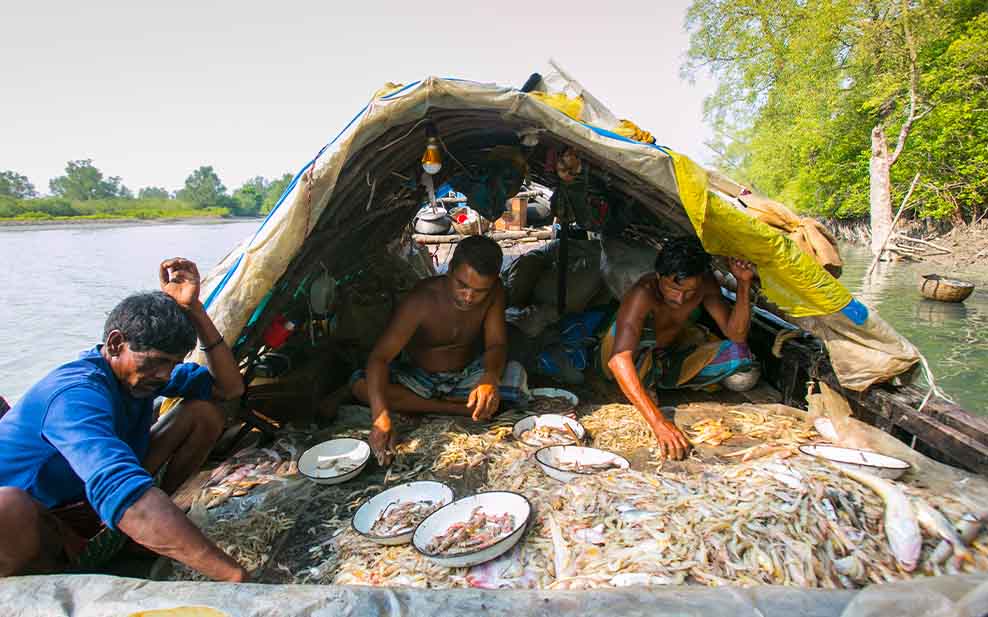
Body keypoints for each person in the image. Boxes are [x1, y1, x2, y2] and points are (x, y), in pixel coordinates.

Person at [0, 258, 248, 582]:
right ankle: (52, 578)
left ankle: (138, 536)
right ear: (116, 344)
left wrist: (196, 311)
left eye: (173, 365)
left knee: (203, 413)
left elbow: (229, 388)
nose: (164, 375)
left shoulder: (142, 374)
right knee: (8, 507)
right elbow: (116, 485)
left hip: (85, 499)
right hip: (41, 516)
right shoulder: (75, 394)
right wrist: (234, 577)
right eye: (158, 362)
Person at [351, 236, 530, 466]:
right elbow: (380, 358)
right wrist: (380, 416)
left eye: (479, 291)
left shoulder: (496, 292)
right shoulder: (421, 300)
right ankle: (458, 409)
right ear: (450, 270)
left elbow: (496, 344)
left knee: (516, 377)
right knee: (362, 385)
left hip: (464, 376)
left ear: (494, 282)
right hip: (419, 378)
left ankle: (432, 405)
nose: (468, 297)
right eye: (462, 285)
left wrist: (490, 377)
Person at [602, 237, 756, 460]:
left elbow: (736, 335)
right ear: (659, 276)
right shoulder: (643, 294)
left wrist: (743, 284)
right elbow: (619, 359)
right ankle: (642, 386)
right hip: (630, 359)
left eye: (689, 292)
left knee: (739, 356)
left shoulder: (706, 284)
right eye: (673, 288)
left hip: (664, 359)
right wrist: (659, 423)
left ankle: (652, 383)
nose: (680, 298)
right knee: (640, 334)